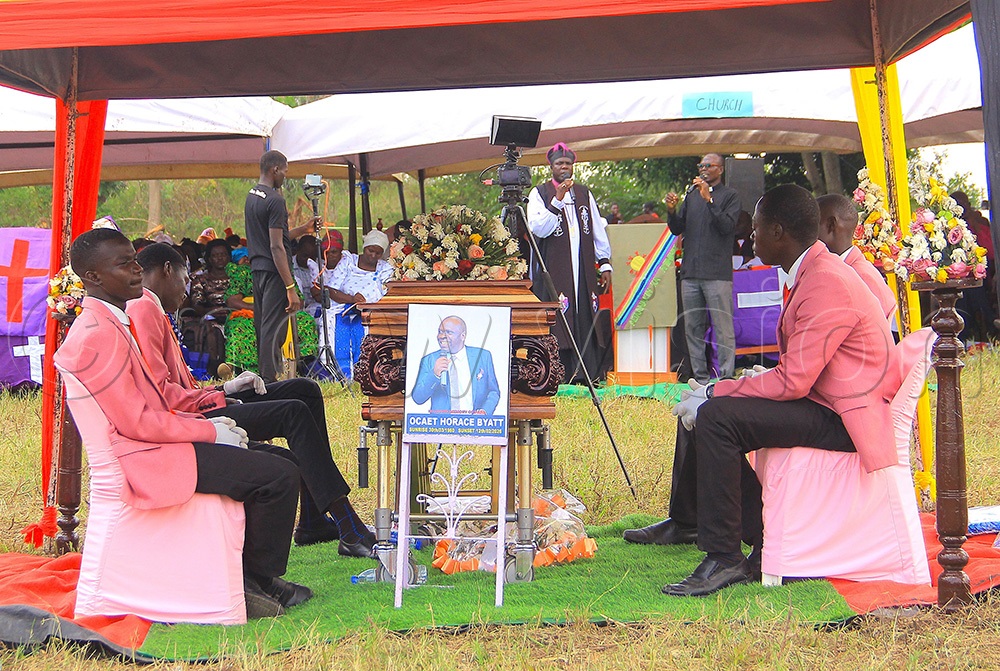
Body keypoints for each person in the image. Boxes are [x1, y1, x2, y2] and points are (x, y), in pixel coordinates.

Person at [54, 228, 307, 618]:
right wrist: (210, 431)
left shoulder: (110, 322)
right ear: (93, 278)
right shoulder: (97, 334)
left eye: (135, 261)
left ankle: (252, 576)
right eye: (125, 264)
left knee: (284, 464)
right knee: (278, 477)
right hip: (145, 459)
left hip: (160, 443)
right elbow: (137, 421)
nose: (138, 271)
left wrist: (214, 409)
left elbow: (156, 401)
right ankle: (251, 579)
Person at [661, 184, 898, 597]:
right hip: (825, 404)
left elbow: (793, 381)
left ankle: (725, 556)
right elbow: (798, 372)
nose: (749, 237)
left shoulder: (825, 280)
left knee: (717, 417)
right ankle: (762, 536)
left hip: (845, 419)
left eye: (754, 229)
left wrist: (720, 393)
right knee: (716, 410)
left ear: (778, 232)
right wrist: (729, 387)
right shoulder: (811, 270)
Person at [128, 243, 375, 556]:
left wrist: (228, 387)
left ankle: (313, 518)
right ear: (166, 270)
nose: (186, 286)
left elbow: (179, 383)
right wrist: (222, 395)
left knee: (304, 389)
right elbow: (162, 394)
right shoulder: (143, 309)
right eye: (184, 277)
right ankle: (348, 524)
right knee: (294, 412)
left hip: (197, 402)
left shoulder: (154, 308)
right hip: (191, 419)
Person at [526, 142, 613, 384]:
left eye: (568, 164)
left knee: (584, 314)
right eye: (559, 164)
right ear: (551, 167)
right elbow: (538, 228)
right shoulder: (540, 193)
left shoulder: (584, 193)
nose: (564, 167)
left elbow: (597, 228)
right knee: (558, 317)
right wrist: (558, 200)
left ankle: (586, 374)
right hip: (554, 270)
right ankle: (557, 374)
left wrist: (604, 263)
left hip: (582, 269)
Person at [245, 150, 320, 383]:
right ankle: (268, 380)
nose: (286, 176)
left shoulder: (253, 195)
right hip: (275, 271)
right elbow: (277, 247)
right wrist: (290, 286)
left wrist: (303, 229)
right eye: (285, 171)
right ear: (275, 169)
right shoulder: (276, 200)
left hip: (258, 269)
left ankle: (265, 375)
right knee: (273, 328)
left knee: (263, 326)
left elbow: (276, 236)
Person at [665, 153, 741, 382]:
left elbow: (727, 226)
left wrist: (709, 199)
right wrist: (671, 210)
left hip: (717, 273)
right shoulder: (691, 195)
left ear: (720, 169)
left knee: (723, 329)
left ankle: (726, 378)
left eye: (709, 165)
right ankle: (700, 378)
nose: (704, 169)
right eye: (701, 165)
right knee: (693, 328)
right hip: (691, 273)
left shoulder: (730, 196)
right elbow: (678, 228)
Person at [318, 229, 393, 378]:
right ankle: (338, 375)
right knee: (334, 327)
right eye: (370, 250)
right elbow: (331, 290)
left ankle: (363, 376)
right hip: (341, 308)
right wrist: (352, 299)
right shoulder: (348, 261)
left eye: (378, 253)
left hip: (369, 312)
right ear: (364, 247)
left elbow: (387, 292)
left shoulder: (385, 268)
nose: (373, 255)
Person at [816, 193, 897, 323]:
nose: (807, 235)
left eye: (812, 226)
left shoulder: (861, 275)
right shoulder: (846, 269)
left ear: (831, 225)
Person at [411, 315, 501, 414]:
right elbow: (418, 398)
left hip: (474, 424)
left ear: (463, 336)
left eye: (449, 332)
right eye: (440, 332)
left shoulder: (482, 356)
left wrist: (485, 411)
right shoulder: (429, 360)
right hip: (442, 426)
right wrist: (434, 374)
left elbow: (493, 392)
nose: (442, 336)